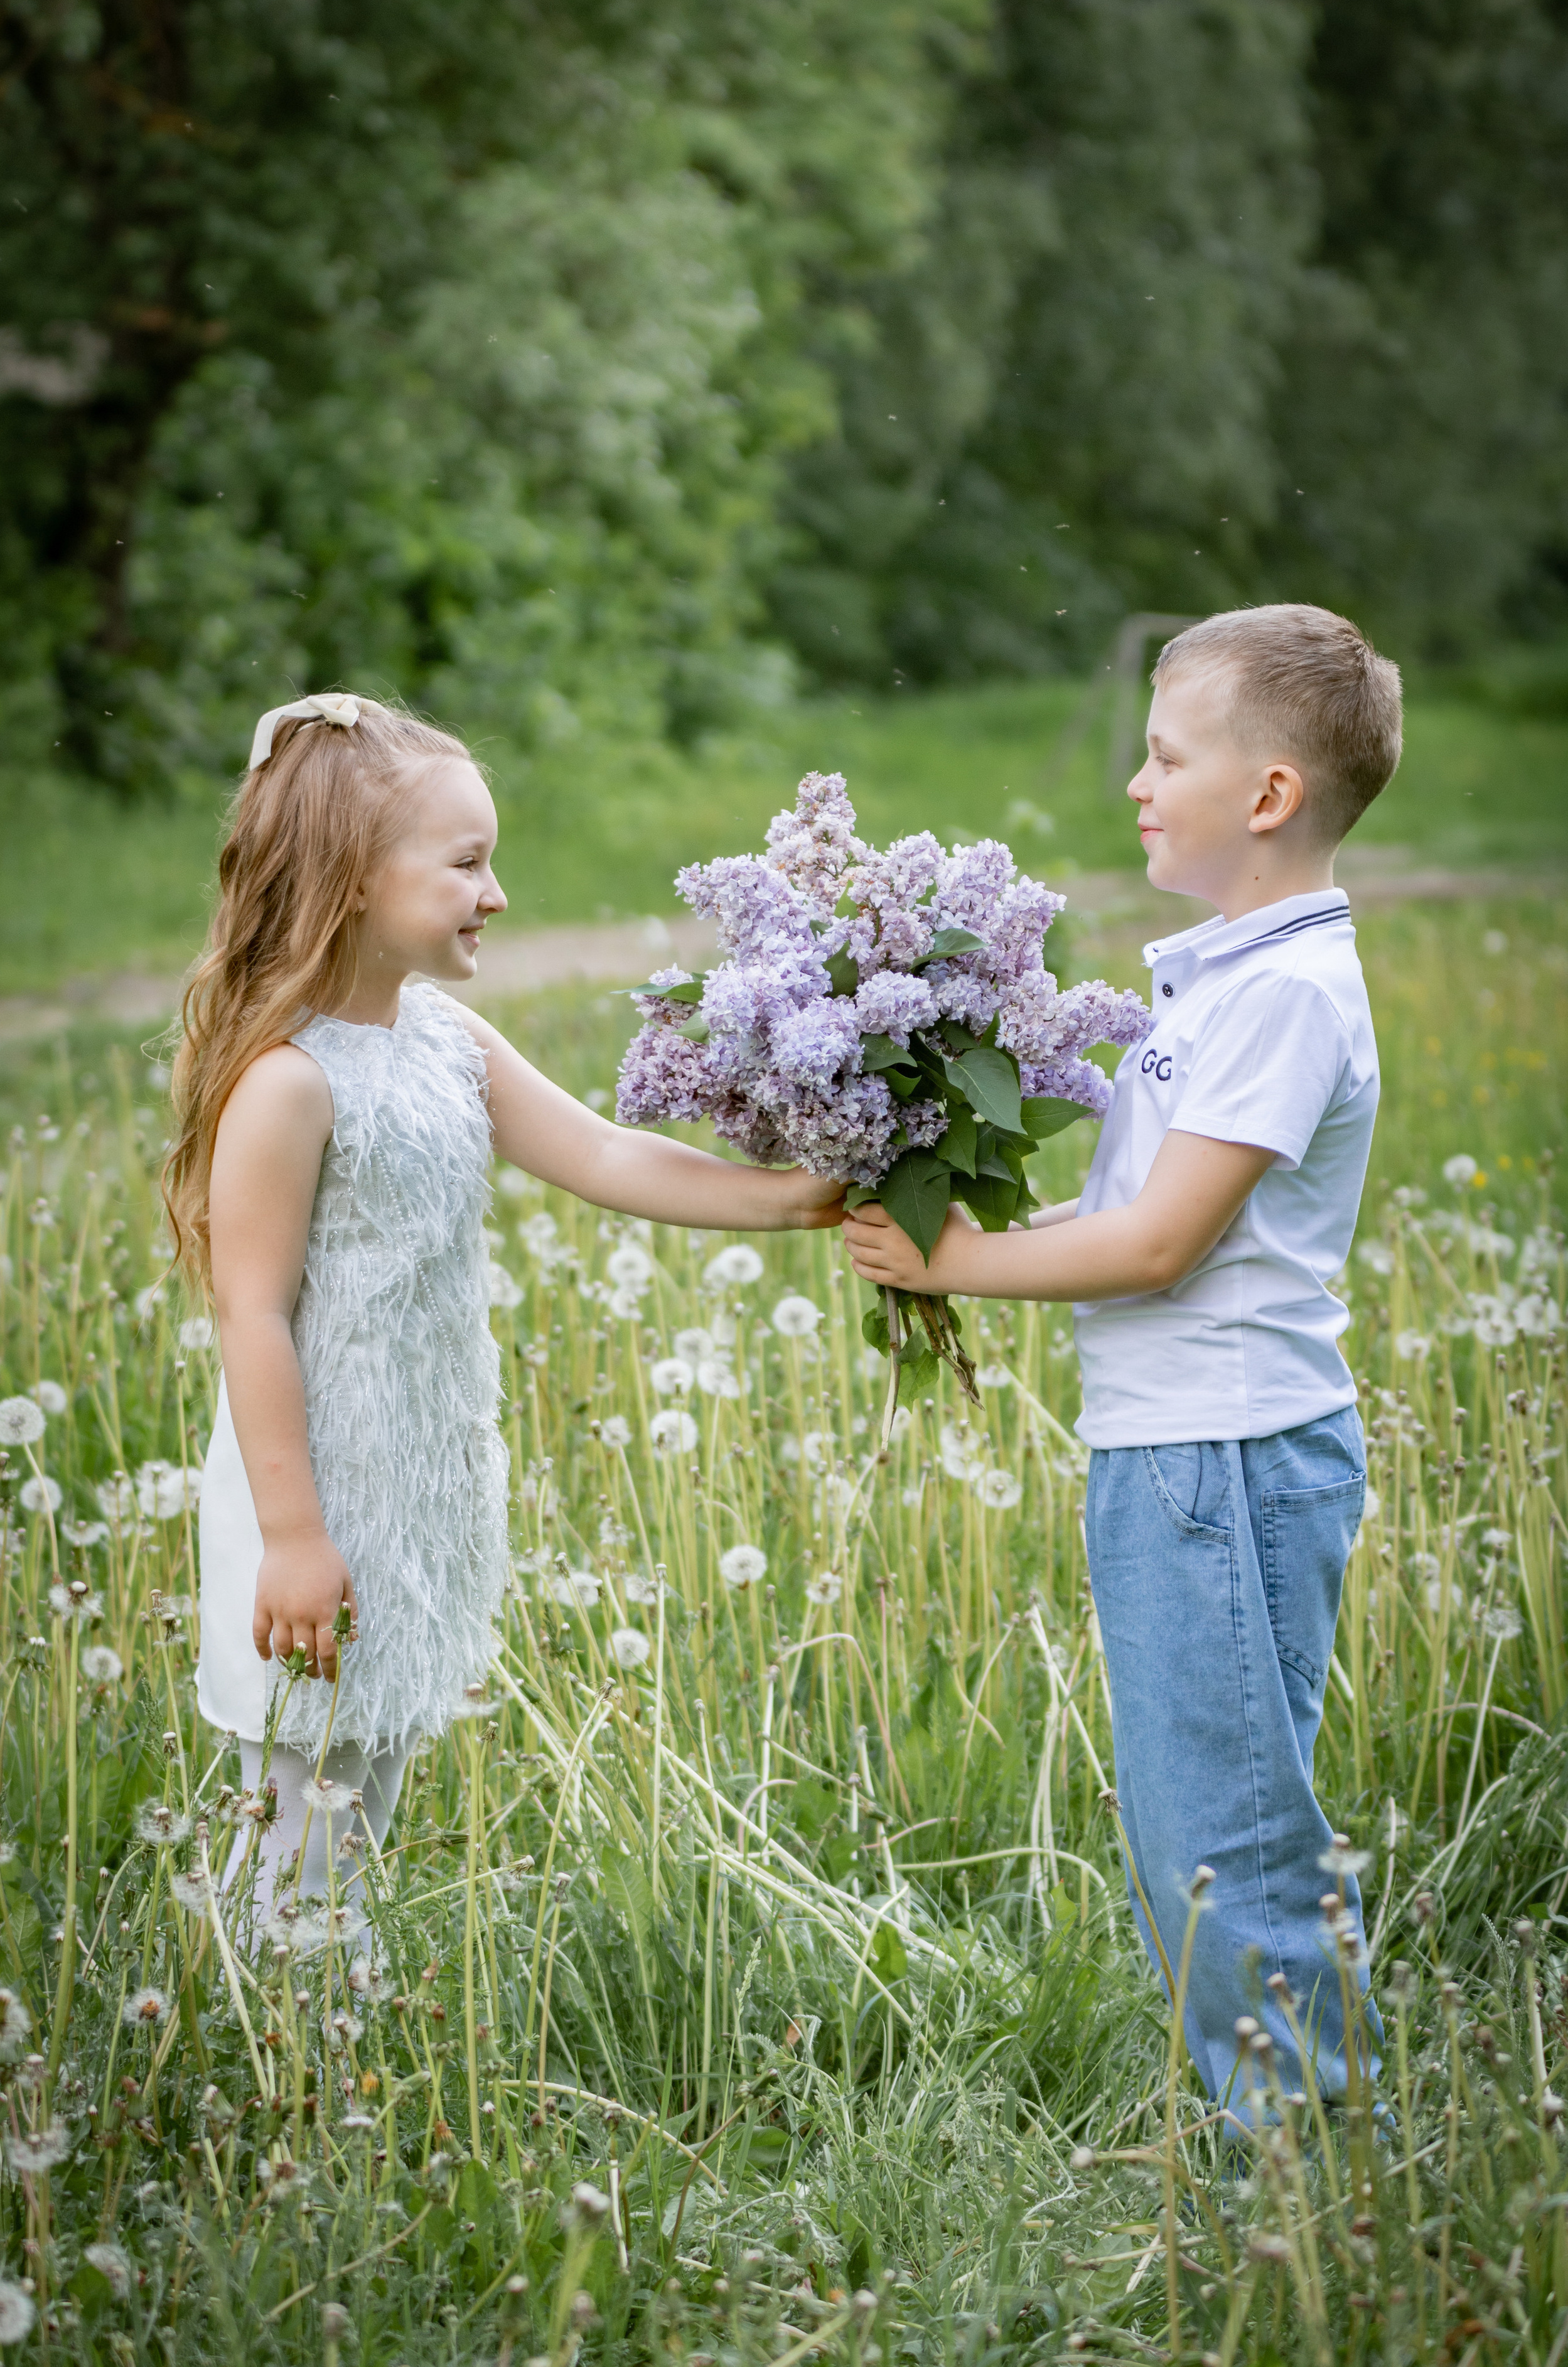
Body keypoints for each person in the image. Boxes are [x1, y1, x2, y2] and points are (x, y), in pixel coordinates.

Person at [843, 604, 1401, 2125]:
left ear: (1268, 797)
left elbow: (1158, 1244)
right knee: (1199, 1827)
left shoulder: (1283, 994)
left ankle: (1303, 2178)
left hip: (1220, 1458)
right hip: (1177, 1454)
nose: (1137, 785)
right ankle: (1290, 2154)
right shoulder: (1224, 976)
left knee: (1222, 1841)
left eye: (1165, 758)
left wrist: (942, 1260)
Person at [164, 692, 843, 1943]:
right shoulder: (286, 1084)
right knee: (303, 1804)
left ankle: (320, 2036)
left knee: (364, 1782)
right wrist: (294, 1537)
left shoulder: (443, 1040)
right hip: (315, 1494)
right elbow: (248, 1315)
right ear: (349, 882)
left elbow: (603, 1153)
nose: (498, 894)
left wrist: (802, 1199)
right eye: (467, 864)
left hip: (415, 1479)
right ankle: (292, 2060)